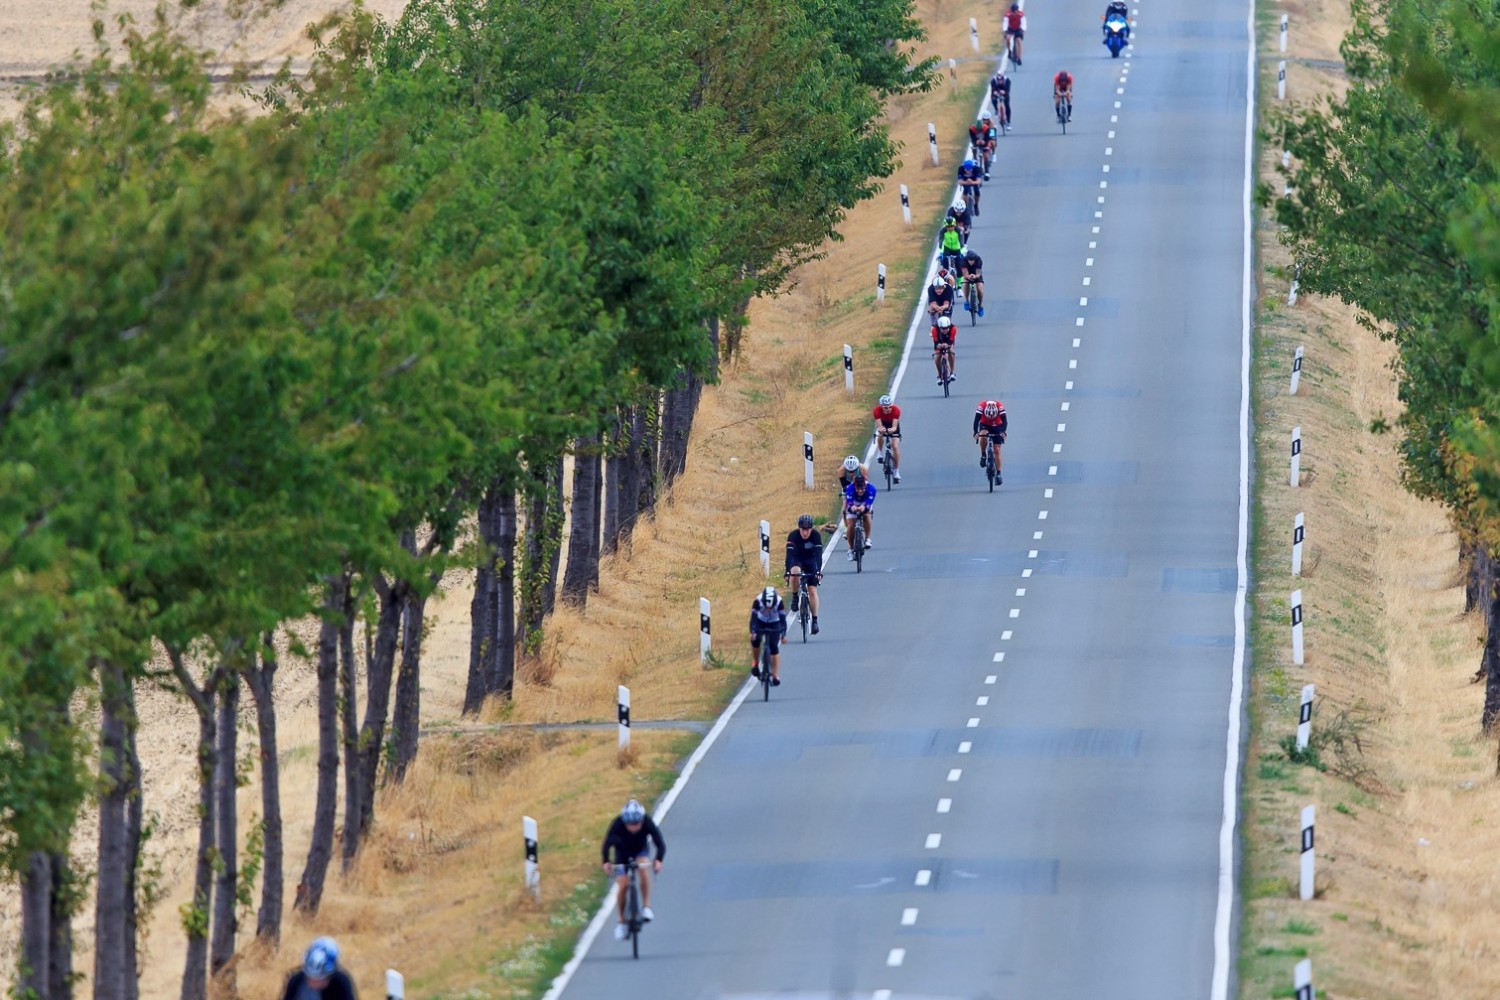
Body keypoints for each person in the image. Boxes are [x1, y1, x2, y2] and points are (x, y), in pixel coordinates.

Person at [601, 799, 666, 940]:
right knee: (623, 884)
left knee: (643, 869)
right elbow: (607, 844)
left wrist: (658, 860)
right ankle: (620, 922)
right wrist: (606, 862)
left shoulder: (647, 822)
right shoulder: (617, 824)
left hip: (640, 851)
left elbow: (660, 843)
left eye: (636, 824)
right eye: (629, 824)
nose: (633, 828)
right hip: (621, 854)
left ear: (642, 820)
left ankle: (646, 907)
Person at [281, 937, 358, 1000]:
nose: (314, 982)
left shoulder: (341, 983)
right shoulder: (296, 981)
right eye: (310, 976)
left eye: (320, 978)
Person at [784, 514, 823, 634]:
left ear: (811, 529)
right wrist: (787, 571)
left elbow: (818, 556)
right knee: (794, 572)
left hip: (811, 561)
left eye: (808, 530)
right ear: (799, 528)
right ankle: (795, 597)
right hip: (797, 560)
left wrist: (818, 571)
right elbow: (789, 556)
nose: (805, 533)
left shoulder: (816, 536)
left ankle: (815, 620)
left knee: (812, 590)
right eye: (803, 530)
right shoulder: (793, 536)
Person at [748, 585, 788, 683]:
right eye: (766, 607)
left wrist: (783, 635)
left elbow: (783, 620)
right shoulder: (758, 601)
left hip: (775, 622)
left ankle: (775, 675)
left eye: (771, 608)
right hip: (760, 621)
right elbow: (753, 619)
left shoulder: (779, 601)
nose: (769, 610)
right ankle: (756, 662)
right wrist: (752, 632)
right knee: (756, 641)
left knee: (774, 647)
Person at [973, 398, 1009, 484]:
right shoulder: (981, 407)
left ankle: (999, 474)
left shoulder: (1000, 407)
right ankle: (983, 455)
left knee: (997, 449)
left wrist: (1003, 432)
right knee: (983, 435)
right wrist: (975, 433)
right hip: (985, 424)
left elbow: (1005, 422)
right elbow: (976, 421)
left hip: (997, 425)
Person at [842, 474, 876, 558]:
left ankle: (868, 539)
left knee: (866, 515)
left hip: (865, 503)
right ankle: (850, 548)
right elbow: (849, 504)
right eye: (858, 489)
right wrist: (852, 507)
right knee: (851, 525)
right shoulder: (850, 489)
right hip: (853, 503)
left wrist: (864, 508)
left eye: (862, 489)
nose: (860, 491)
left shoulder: (871, 489)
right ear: (855, 487)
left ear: (865, 486)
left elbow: (868, 505)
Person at [872, 394, 903, 484]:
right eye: (885, 408)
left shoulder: (896, 410)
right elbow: (879, 425)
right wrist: (882, 429)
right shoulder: (877, 411)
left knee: (895, 446)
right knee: (880, 433)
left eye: (890, 407)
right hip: (883, 423)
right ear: (881, 407)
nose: (888, 409)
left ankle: (896, 471)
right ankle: (880, 453)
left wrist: (892, 430)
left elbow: (894, 426)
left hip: (892, 425)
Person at [932, 314, 957, 385]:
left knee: (951, 352)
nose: (945, 330)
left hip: (948, 340)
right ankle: (939, 375)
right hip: (939, 341)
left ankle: (952, 372)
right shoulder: (934, 329)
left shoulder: (953, 328)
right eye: (943, 328)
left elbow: (951, 339)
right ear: (939, 327)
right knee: (937, 357)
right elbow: (935, 340)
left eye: (947, 328)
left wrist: (948, 345)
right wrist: (938, 345)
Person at [960, 248, 985, 318]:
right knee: (965, 283)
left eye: (972, 260)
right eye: (970, 260)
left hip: (976, 274)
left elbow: (978, 273)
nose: (971, 262)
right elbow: (965, 274)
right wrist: (968, 276)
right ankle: (967, 301)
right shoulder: (963, 261)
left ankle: (980, 305)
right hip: (967, 274)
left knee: (980, 289)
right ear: (967, 259)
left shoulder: (979, 260)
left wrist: (975, 276)